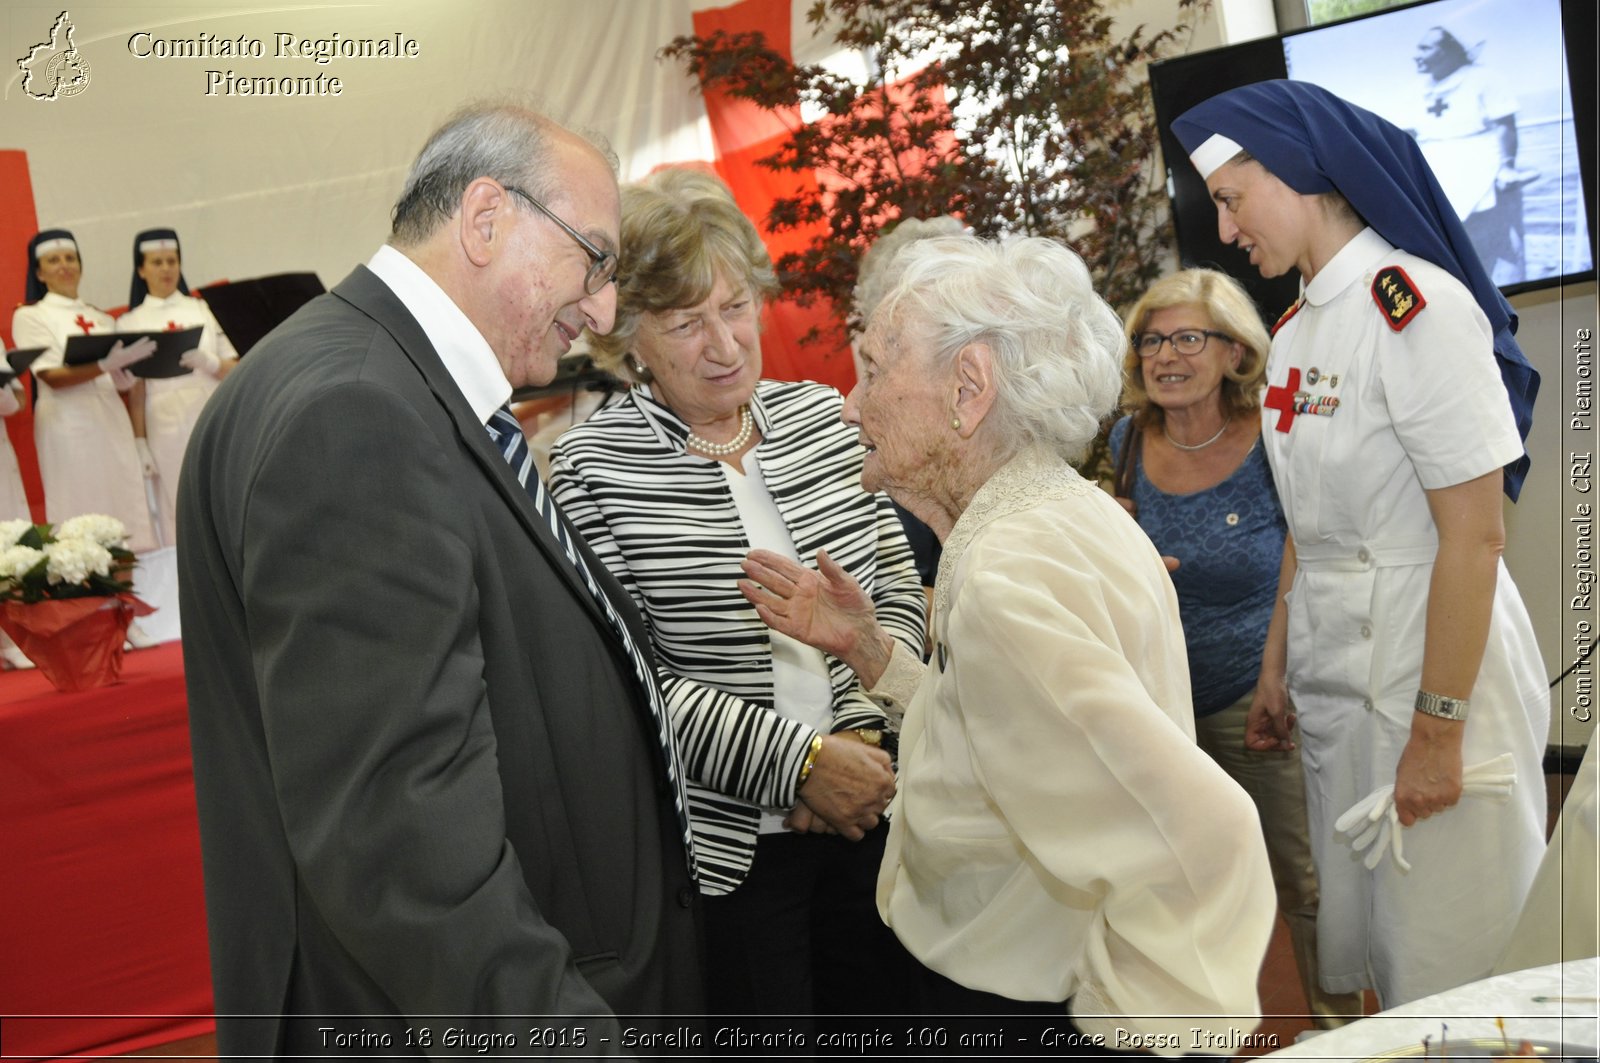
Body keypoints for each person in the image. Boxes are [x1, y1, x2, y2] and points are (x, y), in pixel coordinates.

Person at [176, 102, 702, 1055]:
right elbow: (398, 838)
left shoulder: (374, 379)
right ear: (487, 217)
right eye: (595, 259)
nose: (603, 310)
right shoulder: (353, 412)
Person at [740, 233, 1275, 1050]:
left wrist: (1140, 1038)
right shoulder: (1054, 511)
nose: (851, 403)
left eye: (876, 369)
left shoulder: (1004, 570)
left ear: (968, 390)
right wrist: (872, 655)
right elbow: (1008, 735)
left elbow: (1201, 837)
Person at [1172, 79, 1547, 1007]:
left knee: (1462, 970)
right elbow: (1309, 528)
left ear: (1302, 171)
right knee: (1380, 966)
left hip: (1436, 673)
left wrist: (1436, 734)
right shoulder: (1299, 331)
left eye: (1231, 198)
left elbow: (1476, 535)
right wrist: (1277, 666)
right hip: (1340, 686)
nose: (1224, 233)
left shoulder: (1416, 308)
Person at [547, 168, 926, 1024]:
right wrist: (799, 765)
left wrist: (863, 731)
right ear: (631, 337)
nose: (724, 345)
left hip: (879, 806)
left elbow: (898, 585)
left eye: (735, 308)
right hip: (734, 852)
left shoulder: (823, 418)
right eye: (686, 323)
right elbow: (622, 679)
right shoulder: (593, 468)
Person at [1110, 267, 1362, 1028]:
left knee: (1304, 885)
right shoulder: (1126, 441)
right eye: (1152, 340)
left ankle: (1338, 1032)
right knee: (1185, 893)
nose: (1166, 355)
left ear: (1234, 352)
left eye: (1188, 337)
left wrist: (1274, 677)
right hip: (1162, 714)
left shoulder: (1270, 439)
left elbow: (1303, 553)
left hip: (1261, 699)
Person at [9, 230, 156, 552]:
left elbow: (116, 373)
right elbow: (50, 376)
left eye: (70, 258)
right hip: (66, 420)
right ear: (39, 272)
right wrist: (104, 365)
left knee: (124, 501)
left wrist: (122, 377)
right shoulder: (31, 315)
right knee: (78, 504)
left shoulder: (100, 317)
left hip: (110, 417)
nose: (64, 266)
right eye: (53, 260)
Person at [116, 228, 238, 546]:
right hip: (163, 423)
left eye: (172, 260)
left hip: (210, 410)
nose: (166, 268)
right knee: (178, 508)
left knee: (224, 498)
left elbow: (236, 367)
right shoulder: (129, 322)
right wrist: (140, 441)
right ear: (141, 269)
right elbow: (136, 392)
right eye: (156, 262)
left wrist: (210, 363)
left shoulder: (202, 310)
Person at [1408, 26, 1534, 286]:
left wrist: (1507, 165)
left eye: (1425, 48)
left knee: (1500, 248)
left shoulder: (1484, 79)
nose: (1416, 55)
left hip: (1481, 168)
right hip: (1439, 173)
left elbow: (1504, 125)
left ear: (1446, 52)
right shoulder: (1419, 89)